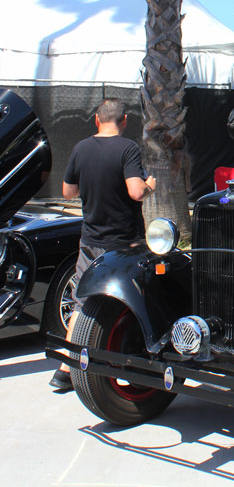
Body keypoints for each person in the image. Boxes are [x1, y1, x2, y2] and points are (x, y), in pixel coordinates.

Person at [49, 98, 156, 391]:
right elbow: (136, 192)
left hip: (91, 240)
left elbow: (68, 192)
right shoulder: (128, 149)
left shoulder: (80, 148)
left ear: (96, 120)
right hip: (125, 243)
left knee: (83, 302)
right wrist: (150, 186)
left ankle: (64, 370)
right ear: (124, 121)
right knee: (135, 299)